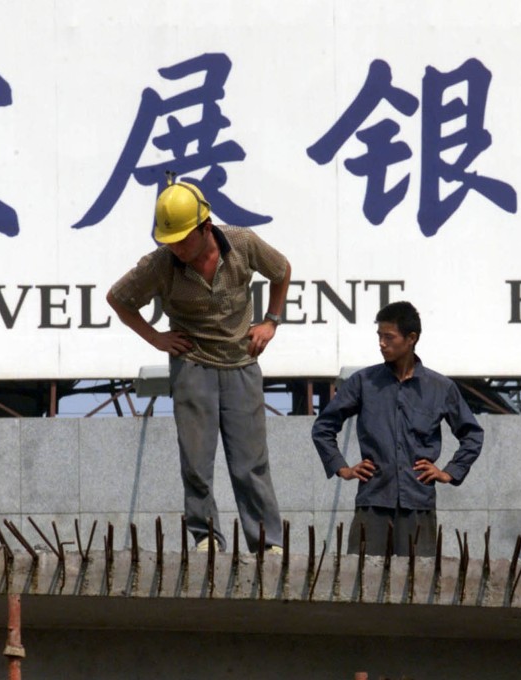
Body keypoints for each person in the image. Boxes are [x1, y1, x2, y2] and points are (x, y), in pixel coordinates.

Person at [106, 176, 290, 553]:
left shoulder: (242, 243)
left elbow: (281, 270)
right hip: (192, 366)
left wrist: (271, 321)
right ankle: (206, 539)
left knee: (250, 462)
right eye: (168, 241)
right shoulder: (160, 264)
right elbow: (118, 298)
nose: (174, 248)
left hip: (241, 363)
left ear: (205, 227)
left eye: (181, 239)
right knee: (196, 461)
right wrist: (156, 338)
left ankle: (266, 542)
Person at [311, 301, 484, 556]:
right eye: (379, 336)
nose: (381, 343)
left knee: (417, 584)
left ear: (411, 338)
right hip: (372, 501)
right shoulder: (363, 383)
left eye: (388, 337)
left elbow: (472, 435)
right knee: (362, 583)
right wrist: (342, 468)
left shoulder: (440, 388)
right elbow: (323, 427)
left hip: (418, 505)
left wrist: (449, 472)